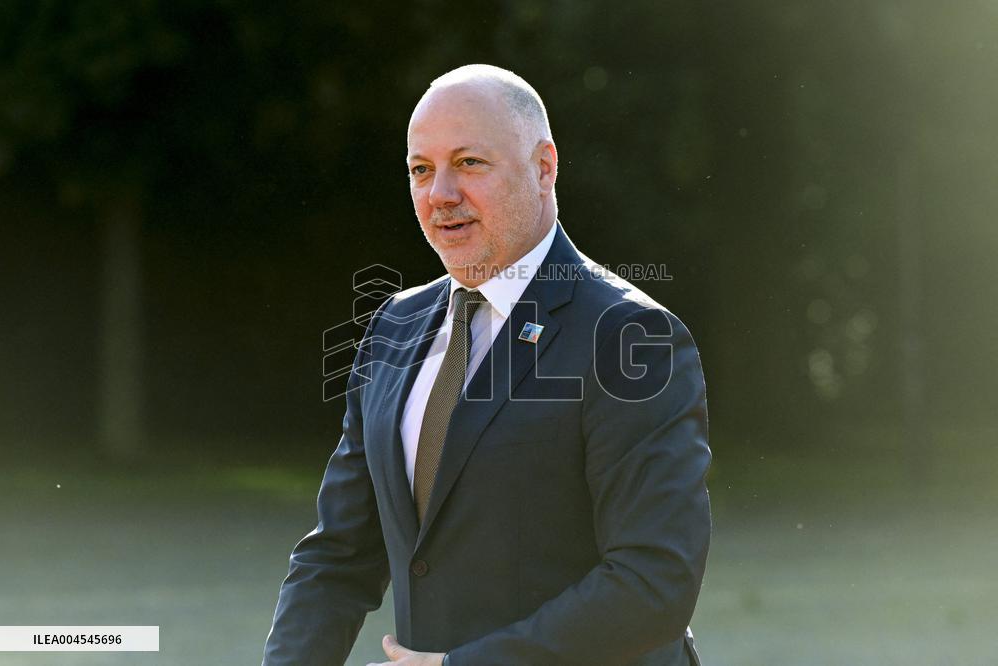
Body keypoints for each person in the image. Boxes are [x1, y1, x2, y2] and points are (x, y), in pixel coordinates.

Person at [263, 64, 711, 666]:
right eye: (421, 170)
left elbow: (655, 583)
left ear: (544, 166)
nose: (440, 193)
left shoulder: (630, 335)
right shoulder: (392, 326)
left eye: (469, 163)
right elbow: (338, 557)